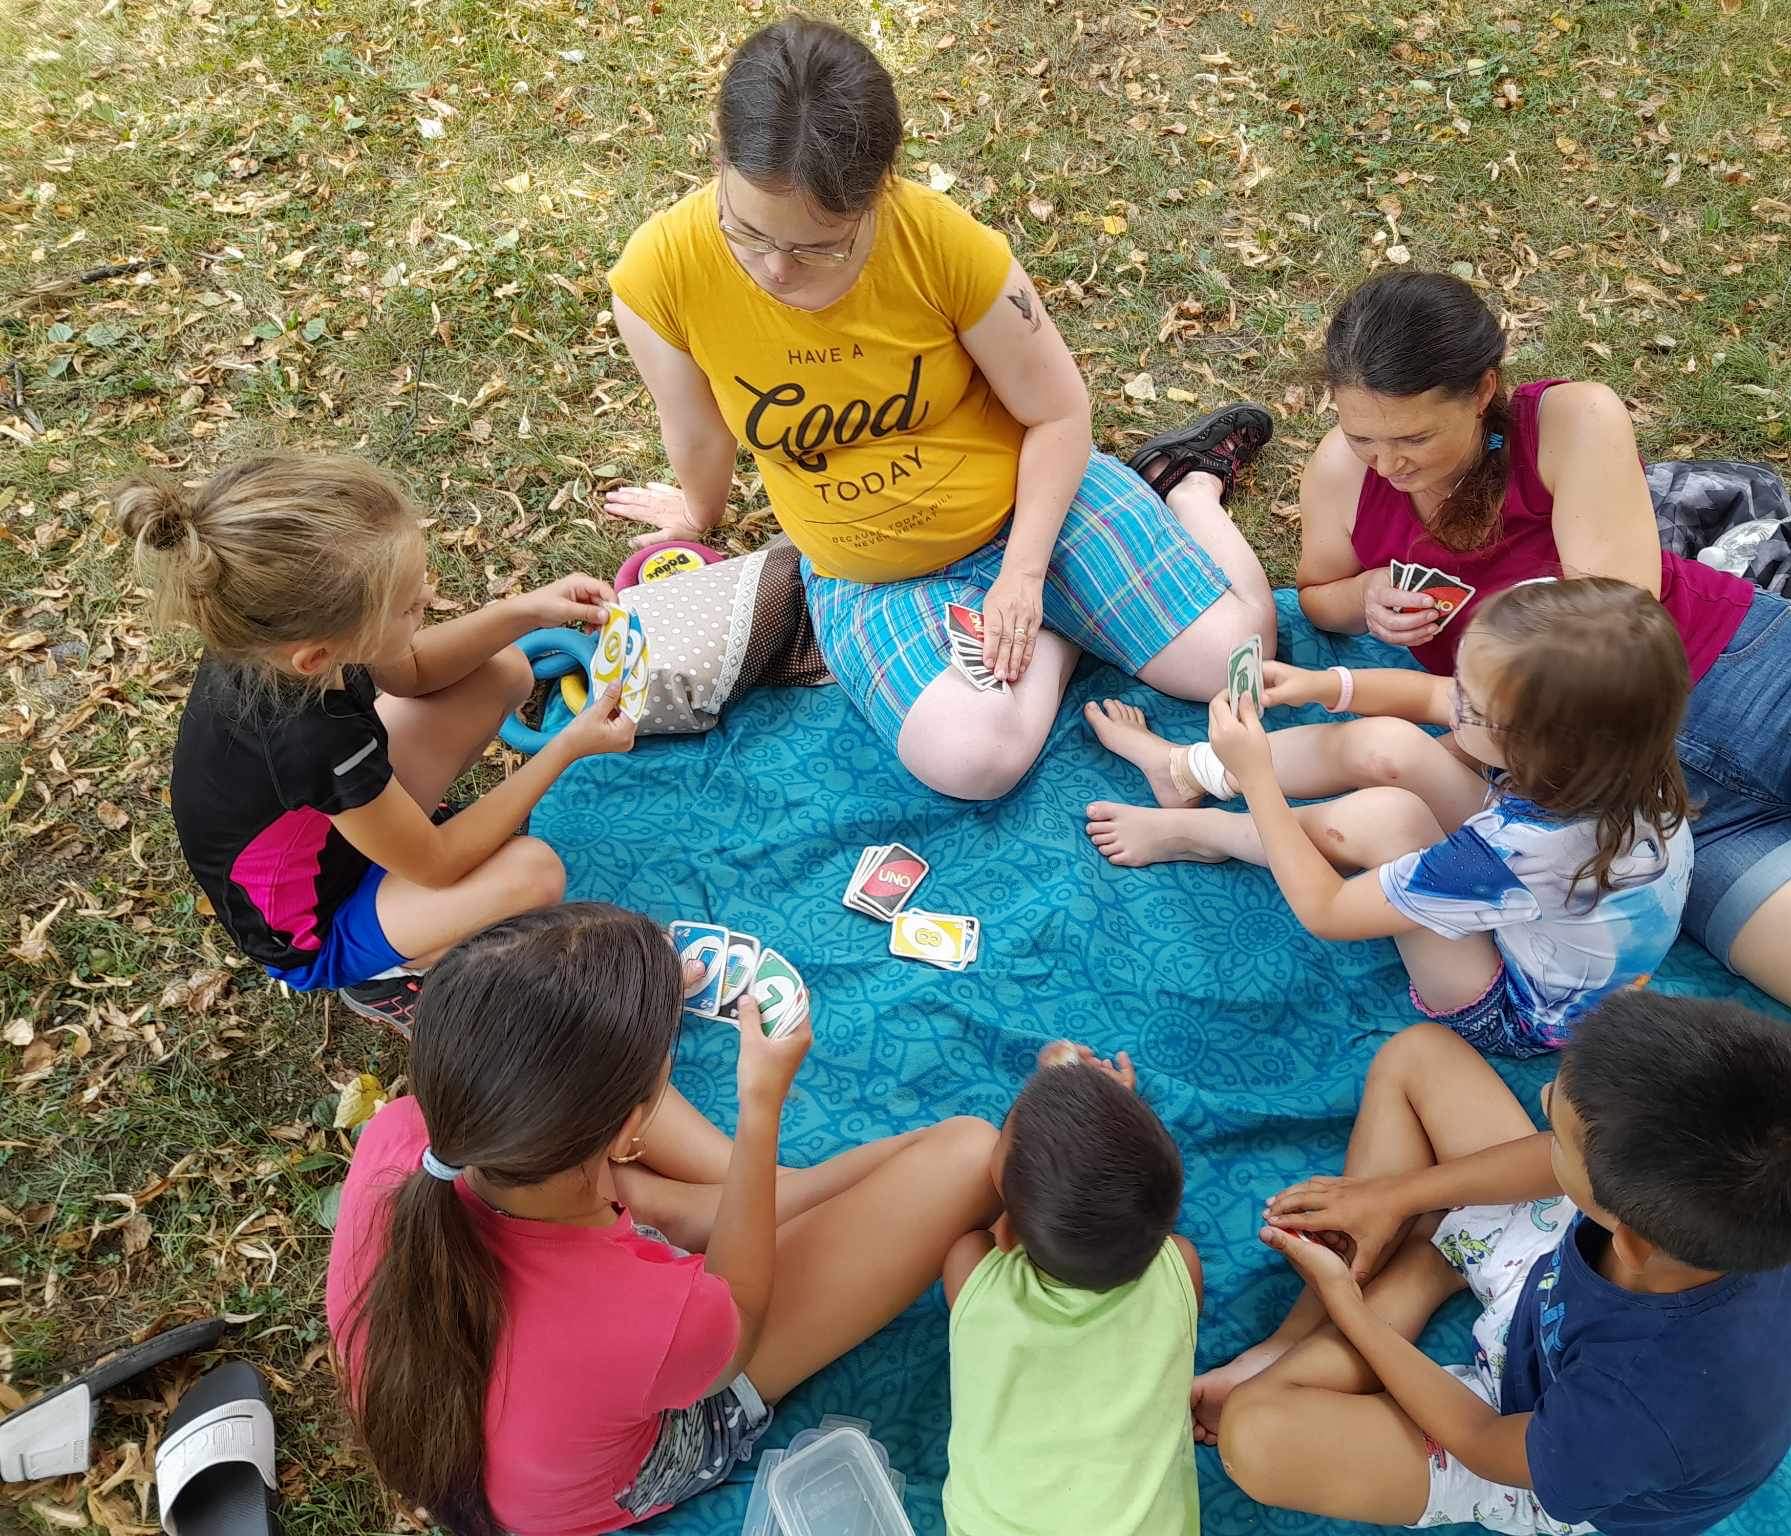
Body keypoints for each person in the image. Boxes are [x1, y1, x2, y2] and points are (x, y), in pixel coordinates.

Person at [1279, 267, 1791, 1177]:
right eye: (1362, 436)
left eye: (1412, 436)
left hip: (1766, 679)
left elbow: (1615, 616)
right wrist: (1366, 596)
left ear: (1483, 391)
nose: (1388, 464)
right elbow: (1319, 591)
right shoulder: (1344, 471)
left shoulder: (1570, 420)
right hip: (1646, 813)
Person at [602, 17, 1276, 800]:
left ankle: (1188, 491)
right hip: (872, 576)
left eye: (819, 245)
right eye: (747, 233)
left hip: (1029, 508)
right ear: (721, 161)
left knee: (1242, 659)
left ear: (879, 190)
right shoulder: (659, 276)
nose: (776, 271)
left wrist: (1024, 576)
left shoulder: (947, 248)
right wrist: (696, 514)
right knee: (972, 763)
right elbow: (697, 431)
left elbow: (1058, 415)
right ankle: (1070, 630)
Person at [327, 904, 1000, 1536]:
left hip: (488, 1415)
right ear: (628, 1135)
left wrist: (611, 1018)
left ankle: (758, 1185)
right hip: (633, 1433)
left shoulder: (406, 1133)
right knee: (971, 1154)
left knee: (594, 1105)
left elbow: (616, 1203)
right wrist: (760, 1108)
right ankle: (758, 1184)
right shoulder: (658, 1317)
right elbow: (740, 1308)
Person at [1204, 992, 1791, 1536]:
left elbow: (1483, 1439)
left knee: (1256, 1436)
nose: (1543, 1095)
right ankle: (1397, 1278)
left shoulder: (1644, 1407)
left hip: (1526, 1437)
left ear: (1627, 1240)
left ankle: (1421, 1270)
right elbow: (1566, 1167)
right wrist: (1391, 1197)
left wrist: (1352, 1309)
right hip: (1555, 1282)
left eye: (1559, 1136)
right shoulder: (1749, 1202)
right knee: (1418, 1056)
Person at [122, 455, 629, 1035]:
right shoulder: (310, 739)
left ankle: (403, 851)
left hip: (337, 828)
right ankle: (386, 974)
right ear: (319, 655)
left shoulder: (274, 640)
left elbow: (413, 673)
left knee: (503, 672)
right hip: (319, 927)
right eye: (409, 605)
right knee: (534, 874)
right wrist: (566, 747)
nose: (429, 596)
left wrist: (525, 610)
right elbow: (438, 865)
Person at [1085, 579, 1694, 1057]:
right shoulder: (1621, 754)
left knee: (1385, 818)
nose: (1451, 698)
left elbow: (1328, 911)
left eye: (1470, 702)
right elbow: (1430, 698)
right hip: (1543, 912)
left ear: (1534, 745)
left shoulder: (1516, 851)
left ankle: (1200, 832)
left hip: (1511, 1008)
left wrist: (1259, 778)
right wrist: (1324, 684)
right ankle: (1186, 770)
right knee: (1390, 745)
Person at [943, 1042, 1202, 1536]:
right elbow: (1123, 1204)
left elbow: (995, 1227)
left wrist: (1057, 1088)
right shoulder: (1182, 1269)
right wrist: (1110, 1126)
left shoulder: (971, 1271)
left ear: (1007, 1232)